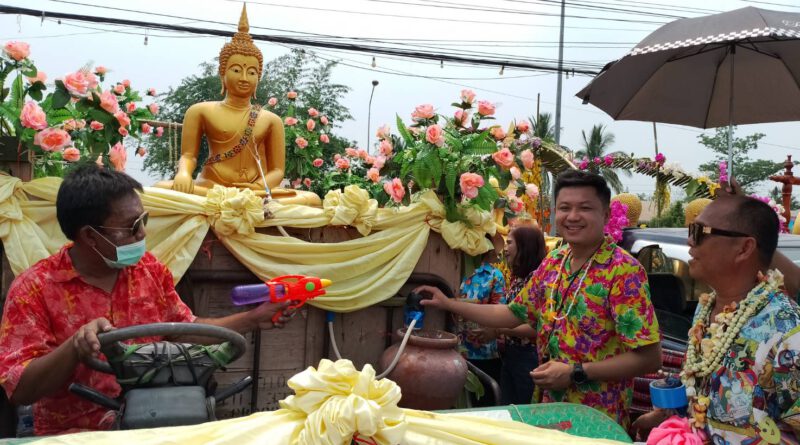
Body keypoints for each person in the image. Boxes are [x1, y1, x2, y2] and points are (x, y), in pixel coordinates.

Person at [0, 164, 295, 436]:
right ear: (90, 237)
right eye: (132, 227)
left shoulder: (148, 271)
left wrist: (254, 318)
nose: (143, 233)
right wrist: (75, 347)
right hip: (75, 436)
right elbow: (20, 390)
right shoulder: (34, 289)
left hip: (156, 426)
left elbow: (185, 329)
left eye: (143, 220)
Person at [416, 170, 661, 427]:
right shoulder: (555, 261)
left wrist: (577, 373)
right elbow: (512, 313)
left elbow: (649, 357)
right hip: (547, 407)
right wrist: (448, 303)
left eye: (585, 208)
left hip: (597, 417)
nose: (573, 216)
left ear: (606, 215)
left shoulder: (624, 271)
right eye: (565, 207)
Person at [631, 195, 800, 443]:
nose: (690, 240)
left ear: (744, 248)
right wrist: (664, 416)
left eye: (700, 232)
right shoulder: (706, 309)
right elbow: (701, 391)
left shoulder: (787, 330)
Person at [155, 5, 320, 206]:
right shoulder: (200, 111)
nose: (244, 78)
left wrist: (259, 186)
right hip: (209, 188)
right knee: (158, 191)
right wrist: (183, 174)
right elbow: (188, 155)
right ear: (222, 74)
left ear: (258, 79)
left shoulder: (271, 120)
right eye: (236, 70)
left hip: (253, 192)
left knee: (311, 199)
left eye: (251, 72)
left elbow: (277, 171)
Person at [452, 235, 506, 407]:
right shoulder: (452, 267)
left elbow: (501, 311)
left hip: (482, 352)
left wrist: (492, 330)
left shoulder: (494, 275)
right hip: (450, 349)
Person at [496, 224, 547, 405]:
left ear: (524, 246)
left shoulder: (536, 279)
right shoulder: (519, 278)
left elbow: (537, 328)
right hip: (512, 354)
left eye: (510, 243)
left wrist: (499, 330)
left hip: (528, 356)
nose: (505, 248)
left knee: (523, 410)